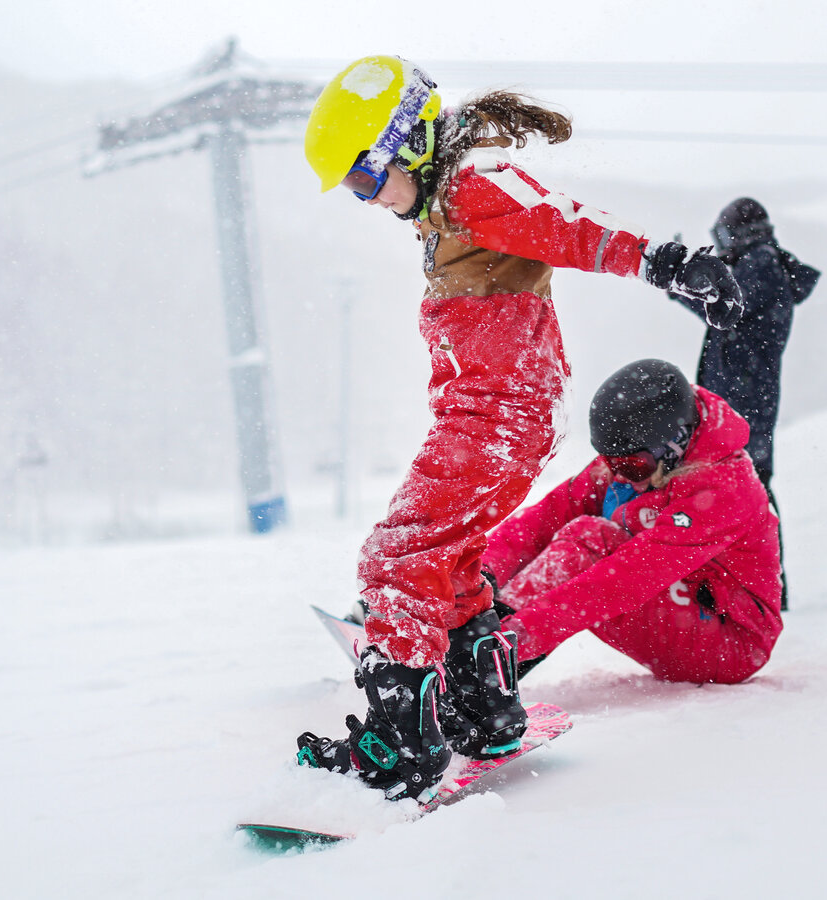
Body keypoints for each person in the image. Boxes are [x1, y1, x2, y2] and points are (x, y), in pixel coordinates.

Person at [294, 56, 745, 801]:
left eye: (365, 179)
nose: (366, 200)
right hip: (500, 416)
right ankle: (483, 711)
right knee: (452, 558)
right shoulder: (447, 200)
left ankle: (397, 750)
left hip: (496, 419)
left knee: (397, 562)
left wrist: (667, 263)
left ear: (404, 146)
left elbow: (571, 230)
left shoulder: (476, 187)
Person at [482, 359, 784, 684]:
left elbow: (628, 578)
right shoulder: (638, 461)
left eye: (632, 465)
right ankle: (484, 639)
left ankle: (488, 662)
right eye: (611, 460)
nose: (619, 475)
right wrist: (482, 577)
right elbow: (548, 516)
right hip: (682, 608)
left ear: (674, 446)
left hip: (729, 641)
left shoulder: (724, 489)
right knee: (583, 531)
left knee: (591, 538)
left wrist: (519, 633)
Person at [666, 197, 817, 611]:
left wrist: (678, 283)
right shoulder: (763, 264)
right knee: (745, 485)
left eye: (722, 236)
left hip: (745, 398)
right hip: (749, 396)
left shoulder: (762, 263)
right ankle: (757, 585)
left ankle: (765, 588)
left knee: (749, 486)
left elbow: (727, 310)